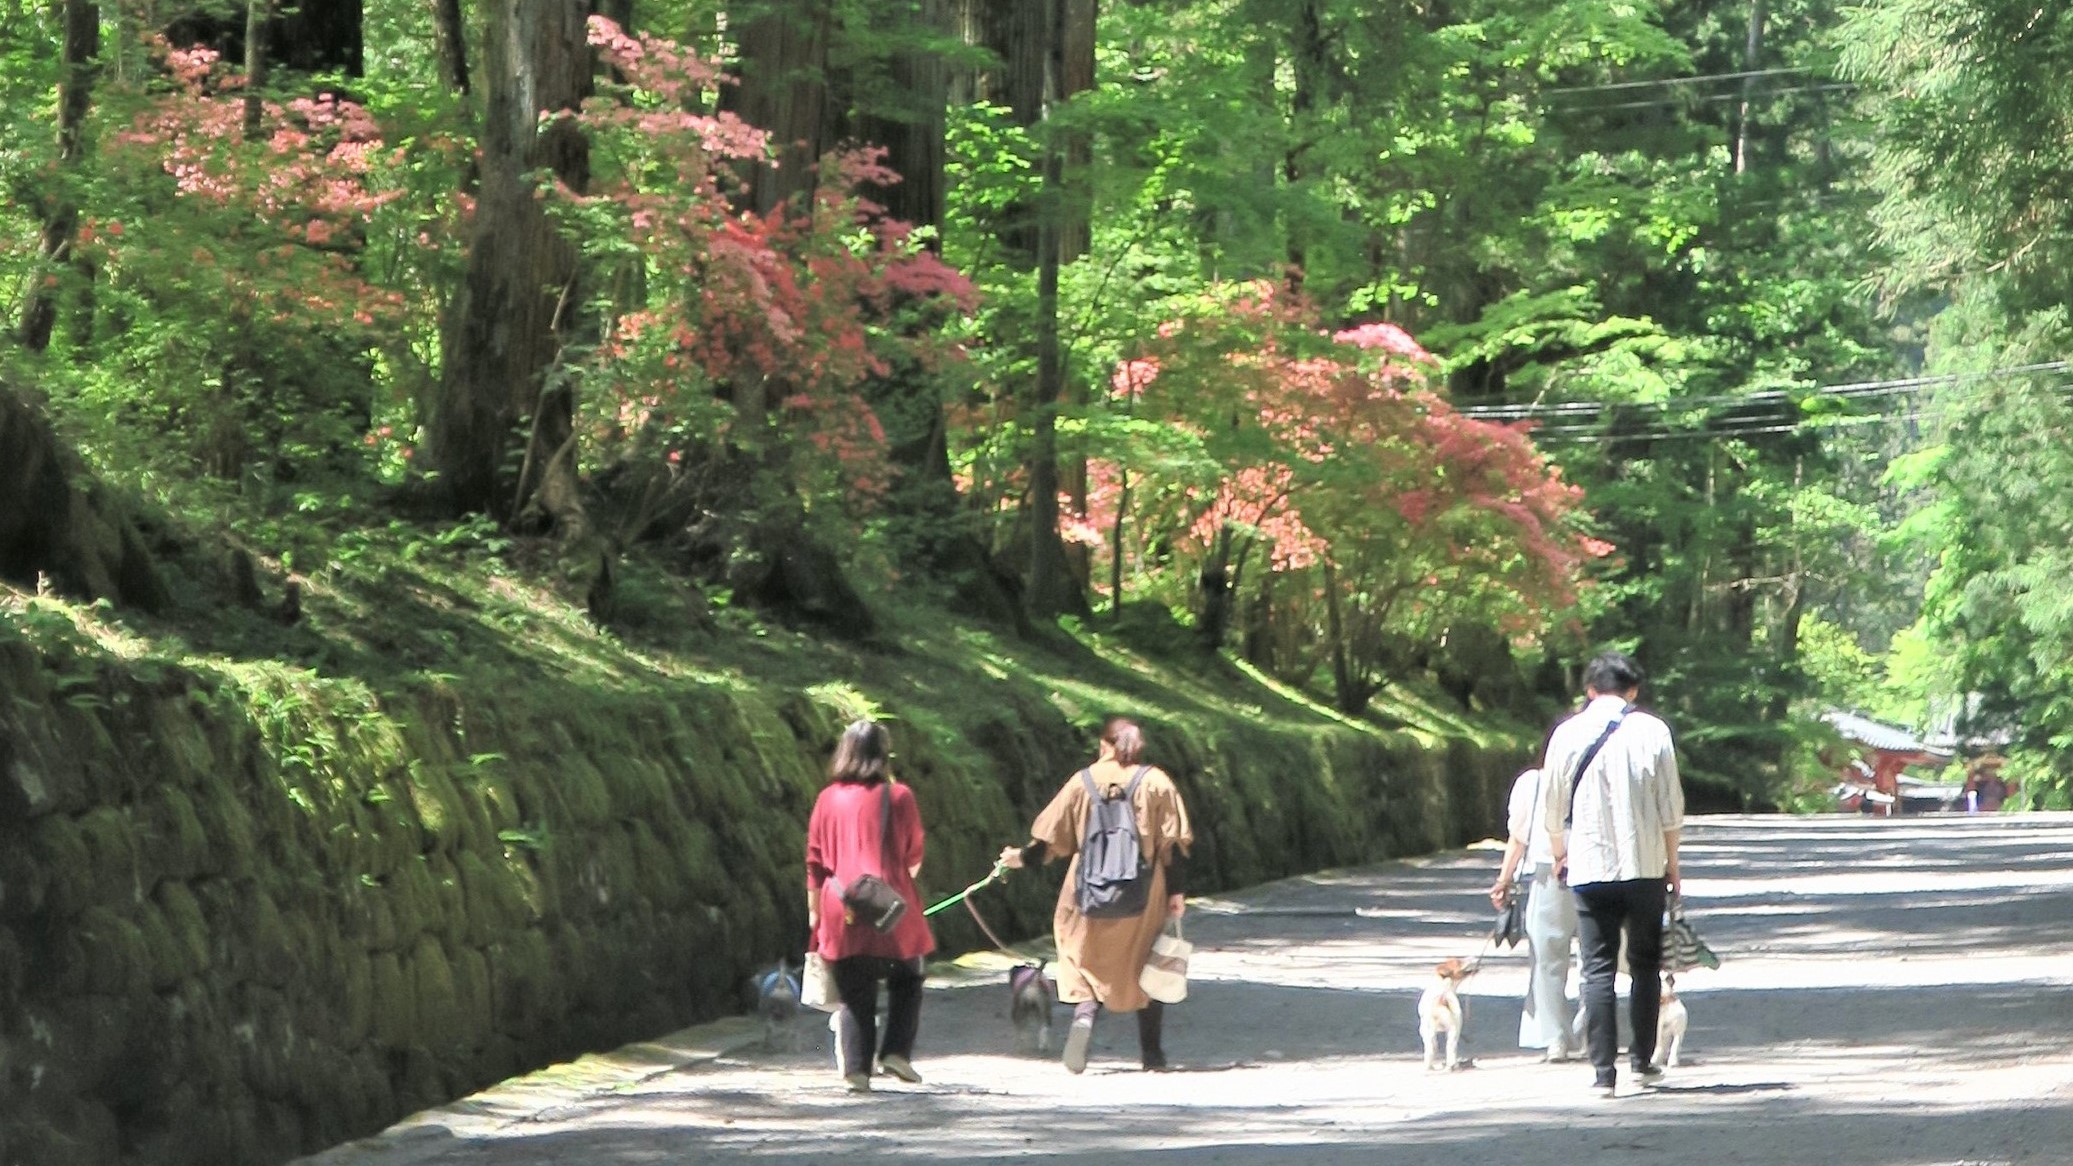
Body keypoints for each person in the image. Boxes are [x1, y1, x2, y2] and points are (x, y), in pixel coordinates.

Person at [1000, 716, 1193, 1073]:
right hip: (1144, 892)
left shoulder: (1081, 782)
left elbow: (1048, 842)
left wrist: (1019, 859)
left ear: (1104, 745)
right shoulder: (1156, 782)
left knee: (1080, 957)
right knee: (1146, 964)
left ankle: (1084, 1018)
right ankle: (1153, 1055)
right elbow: (1172, 845)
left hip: (1085, 893)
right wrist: (1177, 892)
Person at [1543, 651, 1684, 1096]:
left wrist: (1559, 853)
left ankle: (1604, 1074)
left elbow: (1551, 804)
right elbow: (1670, 809)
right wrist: (1673, 867)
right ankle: (1643, 1062)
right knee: (1645, 964)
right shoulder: (1653, 731)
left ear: (1589, 690)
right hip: (1644, 865)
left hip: (1588, 864)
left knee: (1596, 968)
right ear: (1633, 690)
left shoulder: (1566, 733)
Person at [806, 719, 935, 1092]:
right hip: (889, 903)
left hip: (839, 904)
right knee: (908, 976)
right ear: (883, 754)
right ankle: (895, 1051)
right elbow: (914, 855)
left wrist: (815, 910)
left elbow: (814, 861)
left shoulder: (827, 798)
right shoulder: (899, 797)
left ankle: (857, 1070)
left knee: (853, 988)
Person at [1488, 766, 1585, 1061]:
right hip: (1600, 869)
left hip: (1548, 873)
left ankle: (1556, 1035)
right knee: (1597, 957)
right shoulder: (1601, 771)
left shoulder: (1533, 782)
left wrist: (1504, 879)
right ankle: (1589, 1029)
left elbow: (1518, 836)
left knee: (1547, 957)